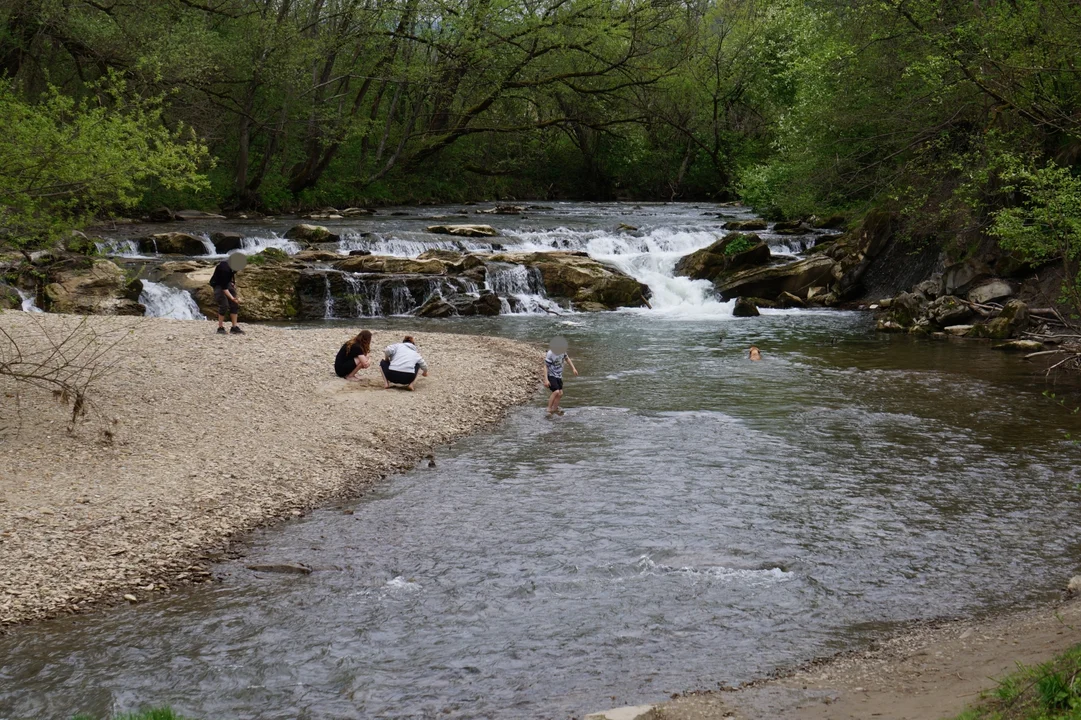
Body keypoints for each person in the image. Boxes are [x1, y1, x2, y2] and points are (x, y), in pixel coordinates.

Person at [209, 252, 246, 334]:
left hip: (226, 282)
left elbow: (231, 275)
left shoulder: (233, 266)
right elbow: (224, 288)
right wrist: (232, 298)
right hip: (218, 284)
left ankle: (234, 327)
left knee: (234, 304)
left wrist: (232, 282)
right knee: (224, 304)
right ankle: (220, 327)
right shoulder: (224, 268)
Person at [543, 337, 578, 416]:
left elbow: (567, 359)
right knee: (556, 391)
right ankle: (548, 409)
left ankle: (555, 408)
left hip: (558, 375)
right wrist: (546, 380)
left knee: (560, 393)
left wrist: (573, 369)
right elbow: (545, 366)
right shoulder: (550, 353)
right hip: (551, 375)